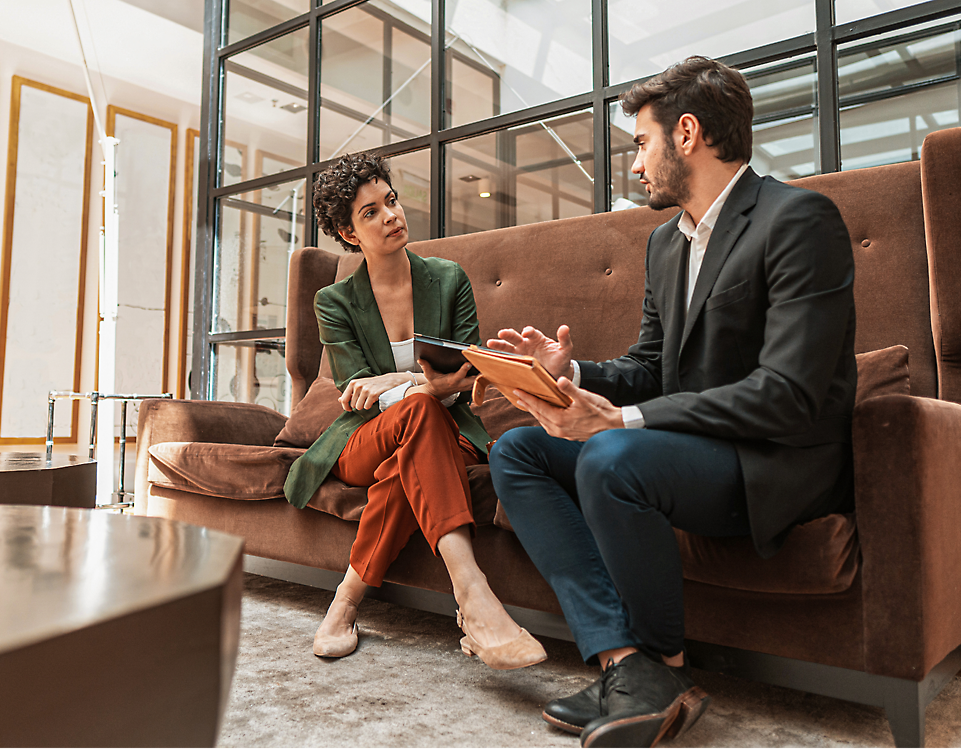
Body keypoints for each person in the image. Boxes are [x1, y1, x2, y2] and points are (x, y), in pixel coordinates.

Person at [487, 56, 855, 749]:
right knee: (519, 450)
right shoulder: (664, 244)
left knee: (610, 457)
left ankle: (666, 666)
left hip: (770, 461)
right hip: (683, 452)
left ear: (687, 133)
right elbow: (654, 366)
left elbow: (790, 393)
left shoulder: (800, 219)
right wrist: (574, 369)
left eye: (640, 143)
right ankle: (631, 668)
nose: (635, 166)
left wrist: (619, 419)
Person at [283, 152, 546, 670]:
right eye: (370, 213)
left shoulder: (448, 279)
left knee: (414, 447)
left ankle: (346, 602)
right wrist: (420, 385)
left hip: (450, 428)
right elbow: (358, 393)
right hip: (364, 437)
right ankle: (471, 595)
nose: (391, 216)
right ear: (348, 232)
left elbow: (471, 373)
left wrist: (400, 381)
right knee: (419, 414)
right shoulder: (334, 300)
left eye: (392, 201)